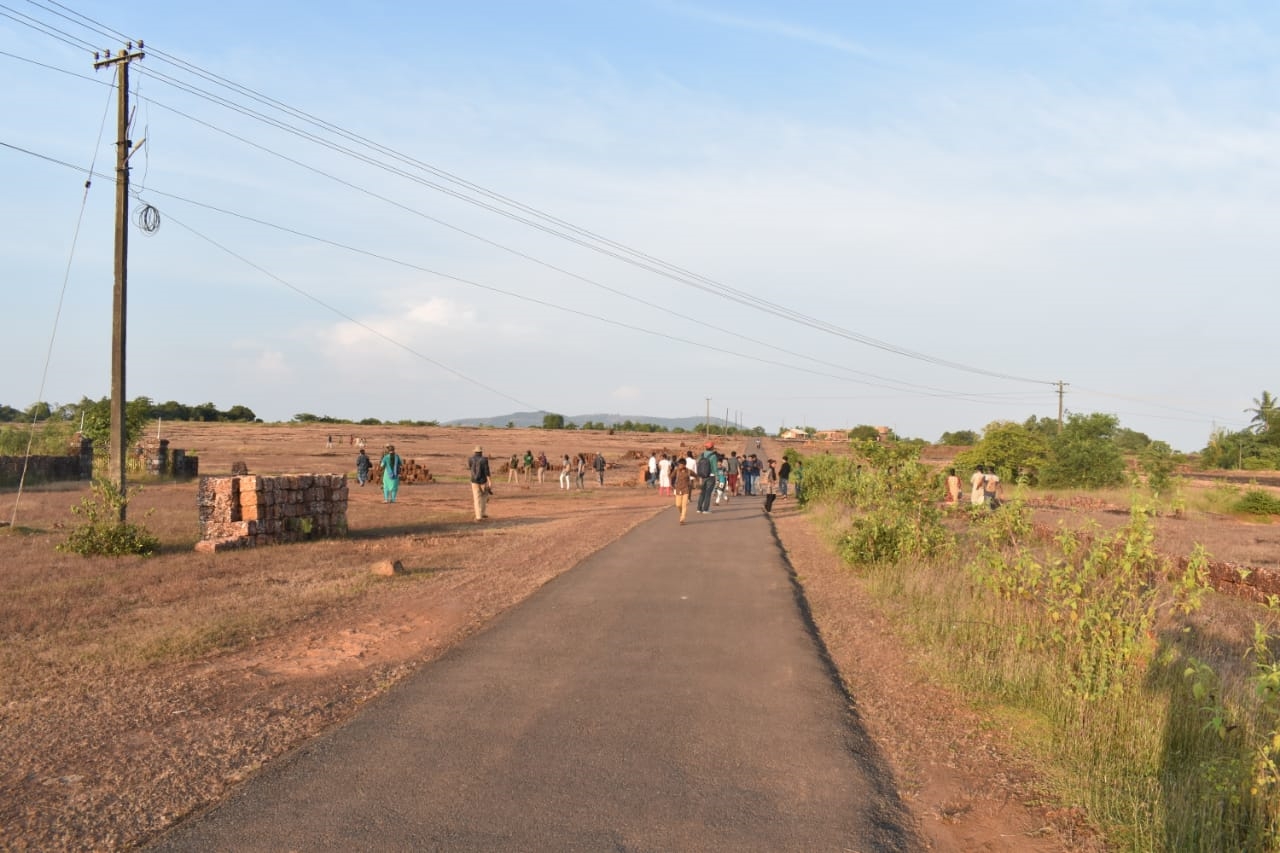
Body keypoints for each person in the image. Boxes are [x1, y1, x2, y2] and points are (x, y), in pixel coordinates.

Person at [468, 445, 492, 521]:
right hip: (483, 481)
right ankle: (482, 513)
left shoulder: (470, 459)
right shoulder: (484, 460)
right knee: (484, 497)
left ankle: (478, 516)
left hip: (474, 481)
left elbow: (470, 468)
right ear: (481, 452)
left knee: (476, 498)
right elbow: (487, 471)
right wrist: (489, 481)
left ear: (474, 452)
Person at [696, 441, 719, 514]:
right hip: (711, 476)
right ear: (712, 447)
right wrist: (717, 477)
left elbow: (698, 464)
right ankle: (706, 509)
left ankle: (699, 509)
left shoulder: (702, 455)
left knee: (702, 492)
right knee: (708, 493)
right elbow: (715, 468)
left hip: (703, 476)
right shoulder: (713, 456)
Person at [671, 454, 693, 525]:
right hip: (678, 490)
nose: (679, 466)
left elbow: (695, 475)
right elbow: (671, 477)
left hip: (686, 490)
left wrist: (697, 480)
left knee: (684, 505)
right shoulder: (676, 471)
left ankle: (682, 519)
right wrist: (672, 485)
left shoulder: (689, 471)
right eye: (679, 464)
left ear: (684, 465)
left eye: (680, 464)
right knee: (678, 505)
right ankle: (681, 514)